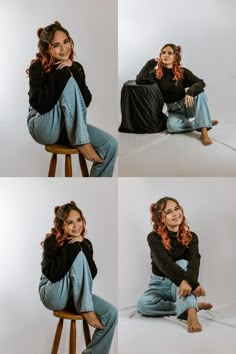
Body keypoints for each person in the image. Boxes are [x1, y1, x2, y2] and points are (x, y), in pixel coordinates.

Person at [27, 21, 117, 176]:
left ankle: (93, 188)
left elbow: (86, 101)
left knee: (111, 145)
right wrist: (62, 73)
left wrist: (72, 70)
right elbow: (39, 104)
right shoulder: (38, 68)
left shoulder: (75, 67)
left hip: (67, 126)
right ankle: (81, 141)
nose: (63, 49)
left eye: (66, 42)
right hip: (43, 125)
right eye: (56, 45)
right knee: (66, 78)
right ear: (47, 48)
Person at [39, 201, 117, 353]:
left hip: (74, 294)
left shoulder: (85, 243)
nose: (76, 226)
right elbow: (51, 274)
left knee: (112, 313)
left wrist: (83, 246)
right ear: (62, 225)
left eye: (79, 220)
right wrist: (73, 247)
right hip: (52, 292)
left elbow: (91, 273)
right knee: (78, 255)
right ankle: (86, 309)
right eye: (70, 223)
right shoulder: (51, 241)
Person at [136, 197, 213, 333]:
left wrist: (188, 282)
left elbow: (195, 261)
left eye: (177, 208)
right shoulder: (153, 238)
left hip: (181, 286)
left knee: (183, 263)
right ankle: (191, 305)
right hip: (159, 284)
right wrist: (194, 284)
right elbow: (164, 264)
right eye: (169, 211)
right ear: (161, 218)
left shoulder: (192, 237)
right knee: (142, 305)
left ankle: (190, 312)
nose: (175, 213)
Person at [136, 44, 218, 146]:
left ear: (175, 57)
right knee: (171, 127)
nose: (166, 55)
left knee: (200, 93)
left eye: (170, 53)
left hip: (187, 105)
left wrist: (190, 92)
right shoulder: (156, 74)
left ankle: (204, 131)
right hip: (174, 110)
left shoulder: (182, 72)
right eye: (163, 53)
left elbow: (201, 82)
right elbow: (140, 79)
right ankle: (204, 122)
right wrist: (151, 62)